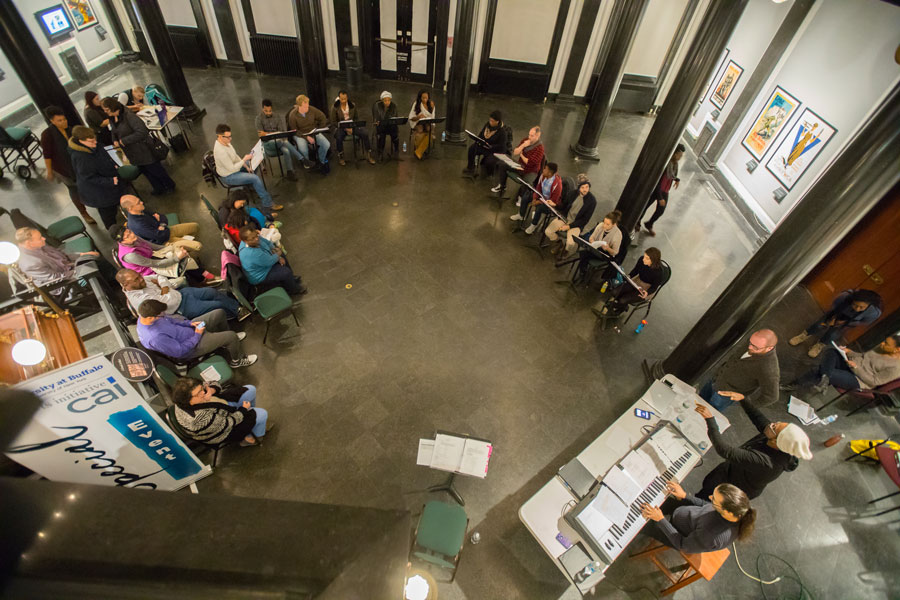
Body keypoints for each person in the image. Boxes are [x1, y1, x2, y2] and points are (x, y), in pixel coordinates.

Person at [694, 401, 811, 500]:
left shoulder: (765, 463)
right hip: (733, 471)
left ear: (776, 441)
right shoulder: (776, 440)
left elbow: (725, 451)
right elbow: (759, 419)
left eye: (775, 427)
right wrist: (743, 399)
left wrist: (710, 419)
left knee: (706, 498)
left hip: (730, 488)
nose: (772, 424)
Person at [136, 299, 257, 368]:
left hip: (192, 330)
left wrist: (190, 323)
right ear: (151, 318)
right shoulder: (155, 338)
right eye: (161, 314)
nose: (164, 314)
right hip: (194, 346)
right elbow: (180, 351)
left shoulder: (147, 315)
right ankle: (237, 361)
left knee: (219, 313)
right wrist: (197, 335)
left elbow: (172, 321)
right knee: (231, 336)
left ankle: (225, 342)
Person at [640, 482, 755, 554]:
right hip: (686, 516)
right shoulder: (734, 511)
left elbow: (682, 544)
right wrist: (685, 496)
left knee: (641, 522)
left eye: (714, 499)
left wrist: (661, 520)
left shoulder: (711, 534)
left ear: (727, 512)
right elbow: (706, 505)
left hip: (677, 536)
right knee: (655, 499)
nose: (710, 497)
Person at [102, 97, 176, 195]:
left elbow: (142, 132)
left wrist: (124, 141)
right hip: (132, 152)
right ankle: (158, 187)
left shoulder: (129, 116)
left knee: (156, 170)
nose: (105, 112)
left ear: (113, 107)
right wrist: (115, 140)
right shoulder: (112, 118)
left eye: (107, 110)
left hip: (143, 149)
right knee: (145, 171)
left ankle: (169, 185)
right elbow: (114, 131)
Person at [784, 334, 900, 395]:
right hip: (852, 366)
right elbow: (863, 357)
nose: (882, 344)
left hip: (859, 380)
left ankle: (793, 385)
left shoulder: (896, 368)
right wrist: (849, 352)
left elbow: (874, 381)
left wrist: (856, 368)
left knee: (818, 369)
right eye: (884, 341)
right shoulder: (881, 349)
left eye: (886, 344)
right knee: (832, 352)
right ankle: (825, 380)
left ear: (897, 350)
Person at [172, 378, 271, 447]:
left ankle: (255, 422)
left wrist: (212, 390)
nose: (203, 392)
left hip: (220, 405)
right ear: (188, 400)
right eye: (198, 393)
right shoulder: (198, 419)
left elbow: (212, 382)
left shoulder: (187, 392)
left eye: (201, 389)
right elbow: (229, 422)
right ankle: (250, 438)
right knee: (262, 414)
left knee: (251, 389)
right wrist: (243, 410)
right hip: (224, 429)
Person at [109, 224, 219, 286]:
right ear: (121, 241)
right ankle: (202, 278)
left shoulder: (134, 238)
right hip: (151, 272)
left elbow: (154, 246)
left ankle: (201, 277)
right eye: (127, 236)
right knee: (180, 262)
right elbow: (154, 264)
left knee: (180, 255)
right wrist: (176, 258)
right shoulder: (130, 255)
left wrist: (172, 248)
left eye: (129, 232)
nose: (132, 235)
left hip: (154, 257)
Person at [14, 226, 117, 292]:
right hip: (65, 285)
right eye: (40, 238)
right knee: (95, 270)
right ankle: (114, 288)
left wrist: (82, 254)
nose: (44, 238)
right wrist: (80, 270)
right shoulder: (30, 264)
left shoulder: (37, 245)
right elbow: (56, 278)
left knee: (97, 259)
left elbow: (61, 254)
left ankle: (116, 281)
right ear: (29, 243)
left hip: (69, 269)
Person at [117, 269, 247, 321]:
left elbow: (159, 276)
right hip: (180, 308)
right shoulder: (140, 300)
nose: (142, 279)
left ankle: (238, 308)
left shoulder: (140, 280)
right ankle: (233, 314)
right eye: (136, 280)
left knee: (211, 292)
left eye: (139, 276)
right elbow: (167, 303)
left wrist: (164, 288)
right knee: (216, 304)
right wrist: (164, 289)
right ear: (125, 285)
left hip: (181, 293)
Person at [699, 329, 780, 412]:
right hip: (717, 377)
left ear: (769, 348)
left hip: (724, 395)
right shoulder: (755, 342)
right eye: (750, 342)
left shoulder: (769, 369)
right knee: (699, 400)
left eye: (755, 347)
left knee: (708, 412)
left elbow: (771, 397)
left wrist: (747, 403)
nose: (749, 347)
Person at [40, 106, 95, 224]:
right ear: (52, 121)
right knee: (73, 189)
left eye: (64, 119)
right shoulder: (47, 134)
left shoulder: (70, 130)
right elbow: (47, 155)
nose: (64, 122)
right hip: (63, 169)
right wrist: (49, 171)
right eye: (59, 120)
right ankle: (84, 213)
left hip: (77, 164)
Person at [789, 289, 883, 358]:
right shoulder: (845, 296)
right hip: (837, 313)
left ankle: (820, 344)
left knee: (833, 334)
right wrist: (834, 318)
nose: (857, 309)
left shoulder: (874, 312)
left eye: (861, 307)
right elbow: (835, 306)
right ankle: (804, 335)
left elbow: (864, 322)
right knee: (819, 325)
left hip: (850, 321)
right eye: (855, 305)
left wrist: (846, 322)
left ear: (869, 305)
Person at [214, 123, 282, 214]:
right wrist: (244, 160)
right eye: (228, 137)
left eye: (230, 136)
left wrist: (246, 165)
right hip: (229, 176)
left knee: (252, 164)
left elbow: (235, 156)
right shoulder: (220, 151)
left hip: (233, 168)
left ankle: (251, 187)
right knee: (255, 178)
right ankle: (268, 204)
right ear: (219, 136)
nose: (230, 139)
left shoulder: (226, 142)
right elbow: (232, 169)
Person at [67, 126, 128, 228]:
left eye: (95, 139)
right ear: (81, 141)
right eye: (91, 141)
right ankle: (114, 232)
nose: (95, 142)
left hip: (112, 184)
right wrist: (110, 181)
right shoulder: (81, 157)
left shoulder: (95, 146)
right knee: (109, 215)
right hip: (100, 193)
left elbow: (105, 156)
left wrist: (113, 164)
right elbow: (88, 178)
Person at [593, 247, 663, 317]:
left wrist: (647, 293)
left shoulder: (659, 273)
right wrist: (629, 276)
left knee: (623, 300)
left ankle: (616, 310)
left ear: (653, 261)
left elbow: (654, 287)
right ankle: (622, 306)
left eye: (647, 258)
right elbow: (635, 270)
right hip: (636, 281)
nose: (643, 259)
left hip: (646, 289)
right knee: (615, 292)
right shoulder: (641, 260)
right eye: (644, 256)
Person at [238, 226, 305, 295]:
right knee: (285, 272)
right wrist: (278, 255)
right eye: (252, 238)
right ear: (245, 241)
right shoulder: (251, 253)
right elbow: (269, 261)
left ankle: (291, 279)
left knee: (282, 257)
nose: (257, 239)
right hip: (261, 275)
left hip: (265, 262)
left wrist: (275, 251)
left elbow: (268, 243)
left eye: (256, 235)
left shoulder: (253, 238)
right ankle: (293, 289)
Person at [120, 195, 202, 252]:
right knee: (198, 245)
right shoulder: (138, 225)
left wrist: (161, 225)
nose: (142, 202)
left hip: (166, 230)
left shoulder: (141, 209)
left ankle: (186, 244)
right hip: (163, 242)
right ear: (130, 208)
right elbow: (161, 236)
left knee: (195, 226)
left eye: (139, 200)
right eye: (138, 203)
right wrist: (160, 224)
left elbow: (162, 216)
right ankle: (187, 251)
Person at [545, 174, 596, 262]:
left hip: (576, 224)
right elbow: (563, 206)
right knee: (548, 232)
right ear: (578, 187)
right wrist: (555, 205)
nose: (585, 189)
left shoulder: (592, 201)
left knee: (570, 243)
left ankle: (566, 250)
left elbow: (584, 220)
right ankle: (560, 242)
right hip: (565, 218)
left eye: (587, 187)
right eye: (582, 187)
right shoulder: (573, 193)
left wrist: (569, 226)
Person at [638, 143, 683, 236]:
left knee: (661, 210)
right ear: (675, 154)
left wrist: (677, 179)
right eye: (679, 155)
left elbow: (672, 175)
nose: (680, 157)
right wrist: (660, 197)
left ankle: (649, 224)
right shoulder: (666, 163)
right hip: (657, 189)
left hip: (665, 190)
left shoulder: (675, 165)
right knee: (645, 206)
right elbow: (658, 180)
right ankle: (637, 222)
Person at [255, 98, 300, 181]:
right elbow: (261, 135)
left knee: (286, 150)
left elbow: (281, 131)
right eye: (266, 111)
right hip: (268, 144)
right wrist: (274, 134)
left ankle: (290, 172)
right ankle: (301, 158)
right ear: (262, 109)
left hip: (279, 142)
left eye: (270, 111)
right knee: (282, 141)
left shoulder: (277, 116)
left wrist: (267, 133)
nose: (268, 113)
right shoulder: (258, 119)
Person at [493, 125, 544, 195]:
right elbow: (515, 152)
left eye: (532, 136)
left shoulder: (540, 148)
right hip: (520, 166)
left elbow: (529, 162)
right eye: (529, 134)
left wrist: (521, 155)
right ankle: (502, 186)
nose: (529, 137)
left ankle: (520, 196)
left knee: (527, 183)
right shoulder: (525, 140)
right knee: (502, 164)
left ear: (537, 136)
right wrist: (523, 145)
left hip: (531, 170)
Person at [329, 90, 375, 166]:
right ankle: (341, 156)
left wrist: (352, 126)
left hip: (352, 125)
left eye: (345, 99)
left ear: (347, 98)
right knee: (339, 137)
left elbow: (356, 118)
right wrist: (345, 128)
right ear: (339, 98)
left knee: (365, 133)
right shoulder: (335, 107)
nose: (343, 101)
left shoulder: (352, 105)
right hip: (341, 127)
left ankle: (368, 154)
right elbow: (333, 121)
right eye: (342, 99)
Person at [288, 94, 331, 174]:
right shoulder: (293, 115)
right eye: (305, 107)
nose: (307, 108)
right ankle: (307, 162)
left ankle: (321, 160)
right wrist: (306, 137)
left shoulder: (311, 109)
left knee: (326, 144)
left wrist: (318, 129)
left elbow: (322, 117)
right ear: (299, 106)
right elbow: (294, 131)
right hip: (300, 134)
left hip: (312, 131)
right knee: (303, 148)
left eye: (308, 106)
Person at [515, 162, 563, 227]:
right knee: (526, 196)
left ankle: (533, 225)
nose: (543, 170)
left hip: (549, 203)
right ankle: (521, 215)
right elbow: (538, 188)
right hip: (541, 197)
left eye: (545, 169)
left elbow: (553, 200)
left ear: (549, 173)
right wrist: (534, 198)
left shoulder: (557, 185)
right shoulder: (542, 176)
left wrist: (539, 202)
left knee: (539, 208)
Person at [462, 110, 507, 176]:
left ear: (497, 121)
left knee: (489, 161)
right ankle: (470, 167)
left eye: (492, 121)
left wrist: (491, 146)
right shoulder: (487, 125)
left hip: (494, 150)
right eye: (490, 120)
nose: (490, 122)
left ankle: (488, 173)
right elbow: (481, 133)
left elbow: (502, 146)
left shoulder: (502, 132)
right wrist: (478, 139)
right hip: (484, 146)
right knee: (472, 149)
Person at [408, 89, 436, 160]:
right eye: (423, 98)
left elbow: (433, 118)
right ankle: (421, 151)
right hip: (418, 122)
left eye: (426, 98)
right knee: (420, 130)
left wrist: (428, 120)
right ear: (420, 97)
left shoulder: (431, 104)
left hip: (428, 122)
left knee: (429, 130)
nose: (425, 99)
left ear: (428, 97)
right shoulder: (416, 104)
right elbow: (411, 117)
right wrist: (418, 117)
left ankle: (419, 151)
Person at [373, 90, 399, 158]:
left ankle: (396, 149)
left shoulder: (393, 106)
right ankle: (380, 152)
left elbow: (395, 117)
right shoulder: (378, 106)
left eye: (388, 100)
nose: (387, 102)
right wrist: (377, 121)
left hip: (390, 126)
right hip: (381, 126)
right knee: (382, 135)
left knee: (395, 133)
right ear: (382, 100)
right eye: (385, 101)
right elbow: (376, 117)